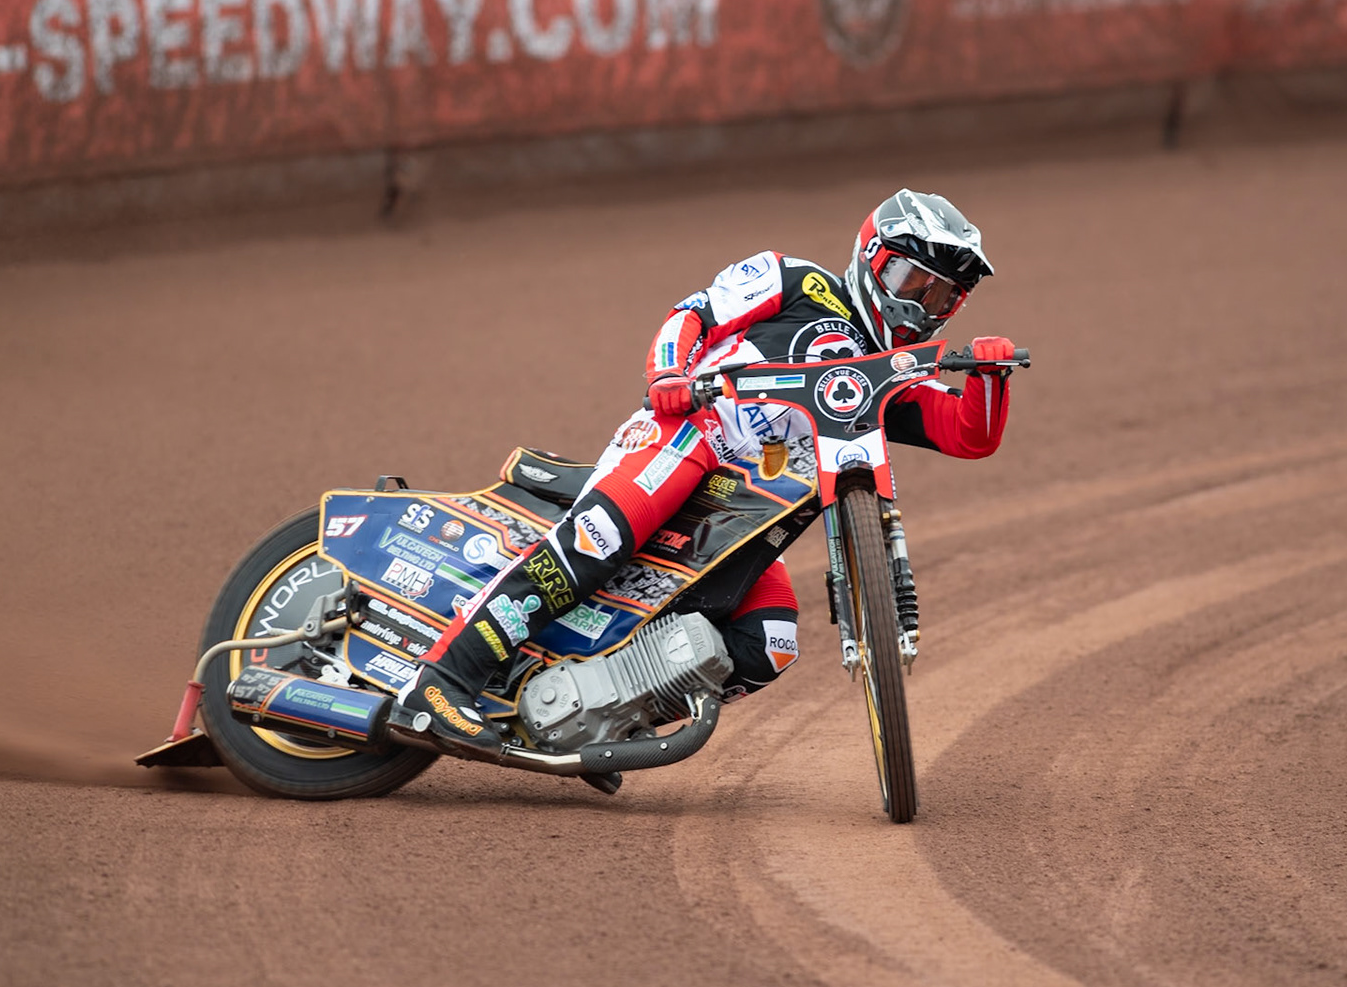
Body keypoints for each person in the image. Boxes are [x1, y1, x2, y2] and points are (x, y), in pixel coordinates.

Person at [398, 188, 1023, 758]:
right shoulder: (795, 279)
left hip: (742, 512)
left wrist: (989, 376)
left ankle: (604, 720)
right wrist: (669, 375)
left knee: (772, 638)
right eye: (911, 279)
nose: (922, 302)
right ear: (871, 257)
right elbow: (692, 314)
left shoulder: (895, 373)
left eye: (942, 295)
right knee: (606, 537)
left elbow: (965, 436)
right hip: (685, 439)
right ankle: (442, 679)